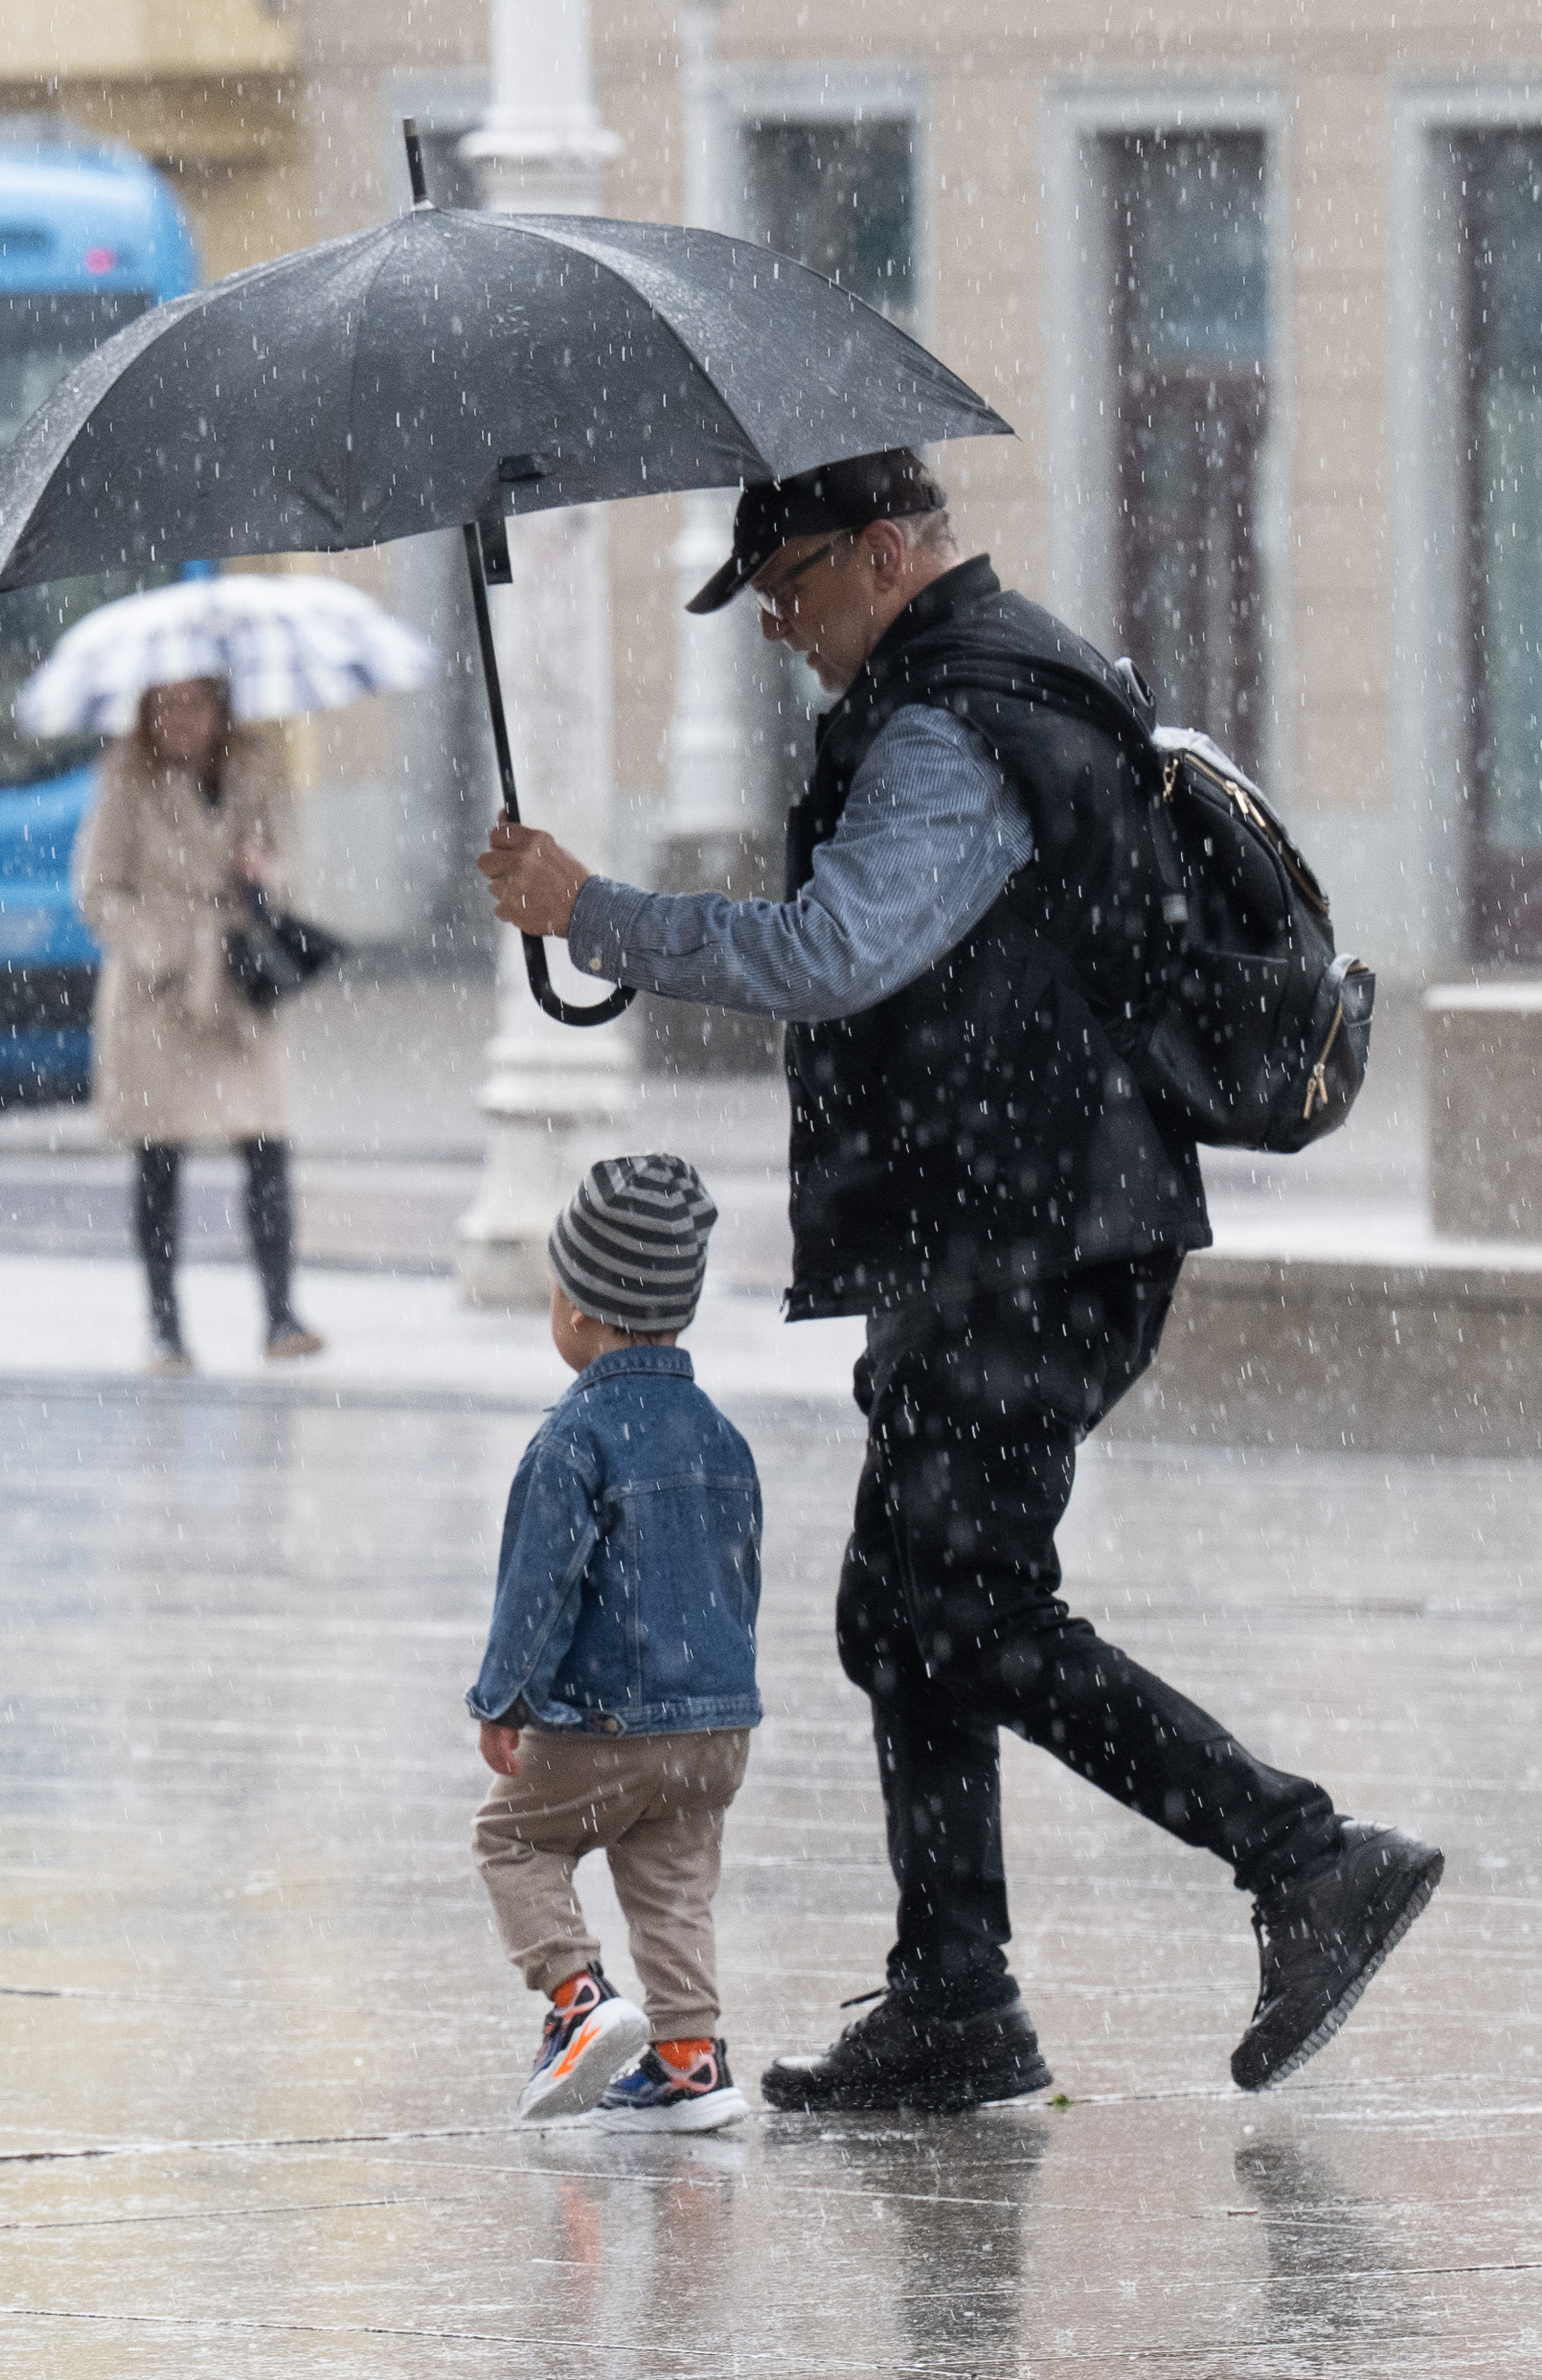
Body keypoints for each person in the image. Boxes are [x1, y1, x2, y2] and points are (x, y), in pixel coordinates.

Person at [477, 448, 1442, 2109]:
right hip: (1014, 1225)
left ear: (880, 555)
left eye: (787, 588)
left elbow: (830, 952)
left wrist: (593, 911)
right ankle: (956, 1995)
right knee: (904, 1610)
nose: (775, 626)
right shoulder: (1012, 678)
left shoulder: (951, 722)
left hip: (1032, 1237)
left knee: (967, 1608)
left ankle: (1302, 1856)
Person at [467, 1154, 762, 2134]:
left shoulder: (574, 1438)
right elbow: (740, 1574)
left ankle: (577, 2000)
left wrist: (504, 1696)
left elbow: (538, 1587)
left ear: (579, 1308)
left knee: (513, 1838)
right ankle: (689, 2061)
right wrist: (720, 1696)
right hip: (715, 1727)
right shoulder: (721, 1435)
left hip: (611, 1719)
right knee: (673, 1880)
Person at [71, 675, 322, 1374]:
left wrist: (263, 875)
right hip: (158, 995)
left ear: (220, 707)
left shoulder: (253, 772)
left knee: (266, 1144)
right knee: (159, 1157)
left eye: (195, 704)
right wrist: (160, 948)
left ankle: (280, 1313)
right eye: (165, 705)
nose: (180, 719)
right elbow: (96, 891)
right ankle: (165, 1327)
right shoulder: (125, 781)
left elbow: (290, 870)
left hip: (236, 986)